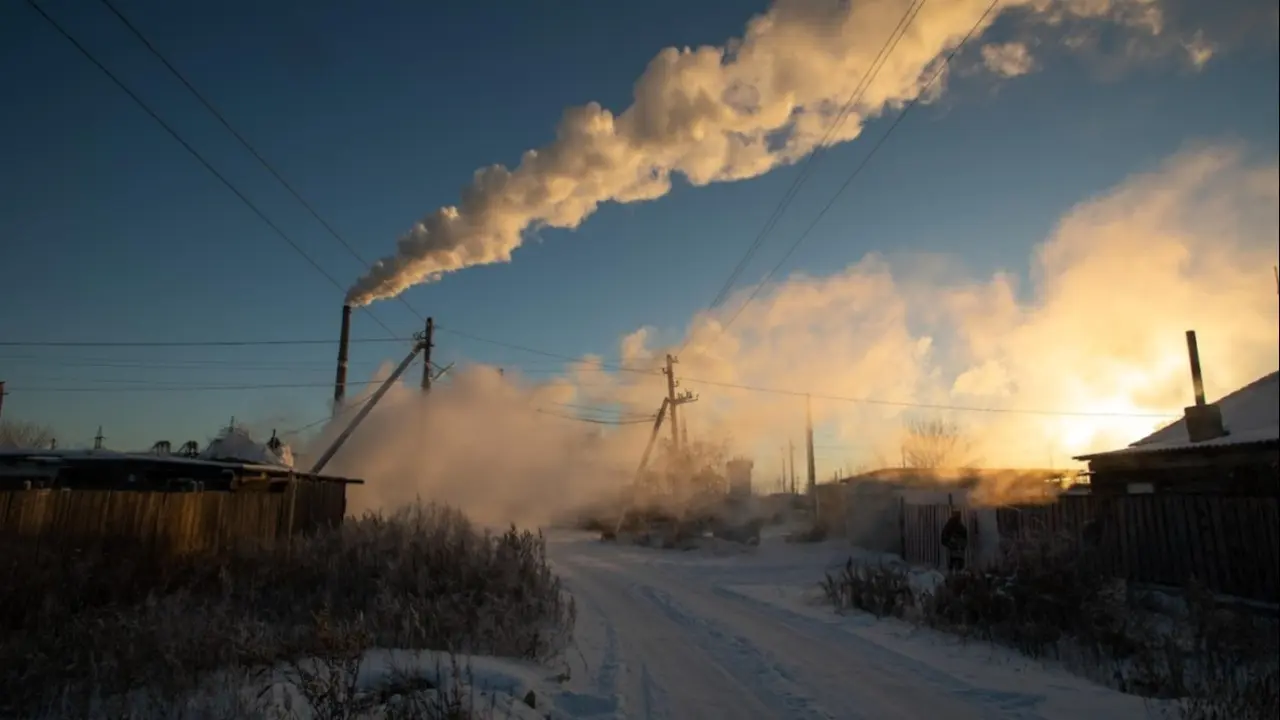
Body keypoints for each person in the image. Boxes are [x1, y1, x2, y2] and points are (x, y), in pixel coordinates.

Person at [940, 508, 968, 572]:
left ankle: (955, 577)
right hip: (956, 550)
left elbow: (944, 536)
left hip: (955, 550)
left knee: (953, 566)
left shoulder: (957, 526)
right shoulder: (958, 526)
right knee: (956, 567)